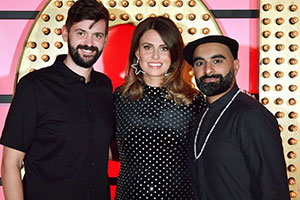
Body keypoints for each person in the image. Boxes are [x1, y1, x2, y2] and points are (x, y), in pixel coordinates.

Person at [0, 0, 113, 199]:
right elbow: (11, 163)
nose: (89, 43)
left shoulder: (105, 87)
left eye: (97, 35)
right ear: (65, 33)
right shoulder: (34, 86)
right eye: (81, 33)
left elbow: (104, 149)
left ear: (104, 40)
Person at [183, 35, 290, 200]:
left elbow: (273, 189)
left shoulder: (251, 116)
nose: (208, 70)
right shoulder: (202, 115)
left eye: (217, 61)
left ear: (236, 66)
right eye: (200, 63)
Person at [113, 16, 206, 199]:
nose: (155, 56)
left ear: (174, 54)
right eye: (148, 47)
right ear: (137, 53)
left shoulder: (194, 101)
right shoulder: (121, 98)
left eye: (164, 48)